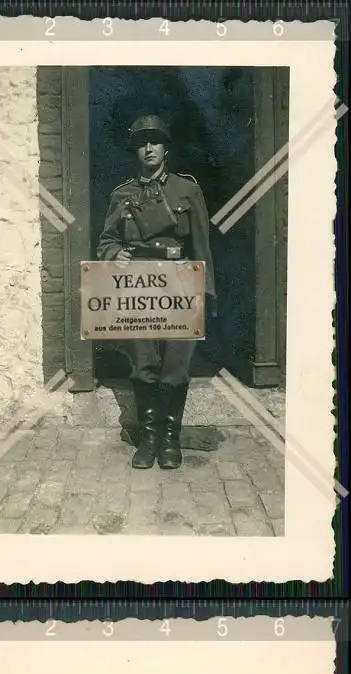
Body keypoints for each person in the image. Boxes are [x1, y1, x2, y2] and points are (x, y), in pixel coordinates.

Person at [97, 115, 216, 469]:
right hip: (137, 288)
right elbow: (106, 240)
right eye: (141, 143)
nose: (148, 148)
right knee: (144, 364)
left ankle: (170, 439)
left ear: (166, 148)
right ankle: (149, 438)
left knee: (176, 366)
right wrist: (114, 254)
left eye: (155, 141)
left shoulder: (186, 190)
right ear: (135, 150)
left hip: (180, 286)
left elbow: (202, 246)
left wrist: (205, 294)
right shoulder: (122, 195)